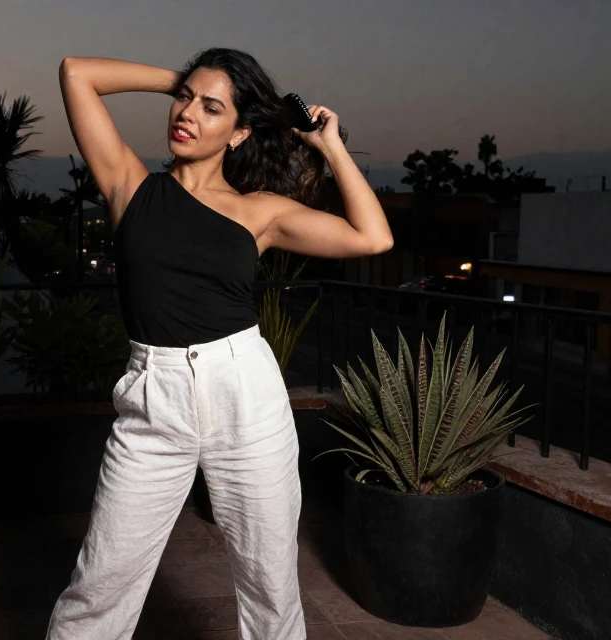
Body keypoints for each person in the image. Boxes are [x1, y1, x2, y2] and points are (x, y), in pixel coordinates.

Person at [47, 48, 393, 640]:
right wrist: (182, 81)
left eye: (212, 108)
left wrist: (330, 147)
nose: (187, 113)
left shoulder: (259, 212)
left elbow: (373, 237)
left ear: (239, 133)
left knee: (270, 585)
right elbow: (76, 73)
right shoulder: (130, 185)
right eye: (185, 100)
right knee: (100, 583)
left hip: (245, 395)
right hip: (153, 399)